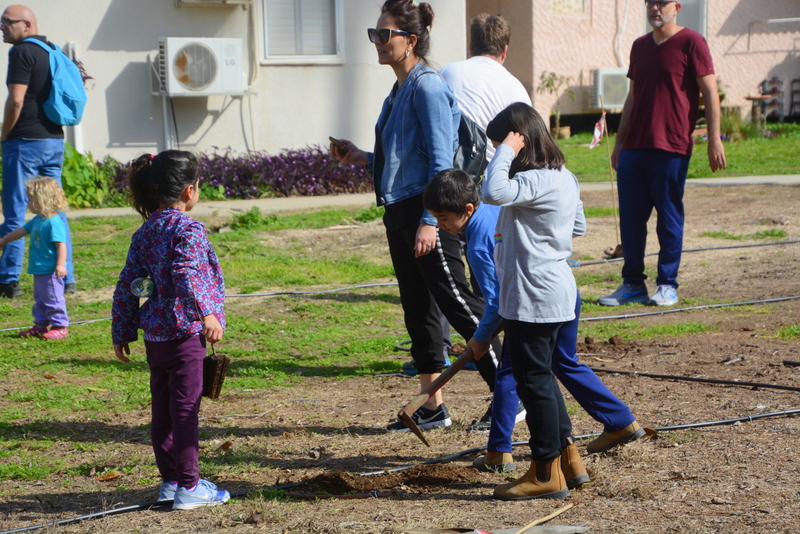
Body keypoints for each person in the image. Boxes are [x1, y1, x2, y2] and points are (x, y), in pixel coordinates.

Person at [330, 0, 499, 432]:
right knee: (419, 310)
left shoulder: (426, 86)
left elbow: (442, 161)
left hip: (429, 212)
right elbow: (407, 157)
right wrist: (362, 156)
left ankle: (510, 393)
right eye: (374, 34)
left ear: (412, 40)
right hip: (401, 210)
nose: (377, 42)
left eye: (385, 35)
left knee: (459, 304)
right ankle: (432, 405)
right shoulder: (399, 89)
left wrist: (429, 219)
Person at [111, 151, 230, 511]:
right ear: (190, 190)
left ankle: (171, 481)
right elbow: (187, 272)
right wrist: (207, 312)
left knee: (162, 411)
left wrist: (122, 329)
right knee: (185, 411)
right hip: (184, 335)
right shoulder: (187, 228)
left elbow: (129, 283)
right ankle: (190, 487)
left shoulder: (145, 232)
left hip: (155, 338)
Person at [482, 102, 582, 500]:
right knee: (541, 378)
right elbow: (579, 225)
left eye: (501, 146)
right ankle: (568, 460)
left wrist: (506, 150)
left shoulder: (537, 179)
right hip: (555, 290)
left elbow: (492, 190)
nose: (498, 155)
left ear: (519, 140)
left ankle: (545, 473)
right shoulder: (564, 177)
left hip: (534, 295)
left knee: (532, 381)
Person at [599, 0, 726, 308]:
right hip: (634, 149)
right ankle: (632, 284)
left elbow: (709, 92)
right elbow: (633, 97)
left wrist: (714, 140)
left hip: (670, 147)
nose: (655, 8)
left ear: (677, 6)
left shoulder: (691, 42)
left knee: (668, 219)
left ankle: (667, 284)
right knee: (630, 220)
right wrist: (618, 143)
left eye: (661, 2)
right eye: (650, 2)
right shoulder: (639, 46)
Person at [0, 4, 76, 299]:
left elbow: (16, 100)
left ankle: (8, 280)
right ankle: (65, 277)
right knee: (54, 210)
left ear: (27, 24)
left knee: (17, 209)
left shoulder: (21, 52)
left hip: (25, 142)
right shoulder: (50, 49)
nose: (2, 28)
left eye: (7, 22)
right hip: (53, 140)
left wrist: (5, 134)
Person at [439, 13, 531, 162]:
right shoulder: (517, 89)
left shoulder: (445, 73)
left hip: (447, 171)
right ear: (504, 51)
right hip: (494, 176)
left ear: (470, 47)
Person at [0, 176, 69, 339]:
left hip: (50, 270)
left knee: (52, 298)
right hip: (38, 269)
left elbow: (61, 245)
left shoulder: (54, 222)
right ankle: (41, 325)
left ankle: (60, 326)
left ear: (42, 200)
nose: (28, 203)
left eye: (31, 199)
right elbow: (21, 231)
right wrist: (4, 239)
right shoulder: (38, 220)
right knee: (40, 299)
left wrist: (60, 265)